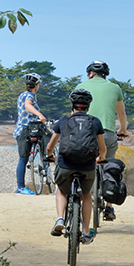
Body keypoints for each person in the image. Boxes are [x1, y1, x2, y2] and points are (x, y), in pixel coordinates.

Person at [46, 89, 106, 243]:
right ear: (88, 106)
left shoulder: (63, 121)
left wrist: (49, 156)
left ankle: (60, 219)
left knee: (61, 190)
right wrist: (101, 158)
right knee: (86, 195)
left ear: (72, 104)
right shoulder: (95, 121)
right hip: (87, 166)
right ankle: (86, 232)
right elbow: (102, 148)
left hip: (66, 164)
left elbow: (50, 146)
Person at [80, 60, 127, 221]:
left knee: (82, 163)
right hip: (108, 133)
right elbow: (121, 114)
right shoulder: (115, 88)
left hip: (84, 133)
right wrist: (123, 130)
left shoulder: (81, 86)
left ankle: (79, 194)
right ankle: (109, 207)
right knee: (110, 166)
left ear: (90, 73)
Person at [13, 73, 47, 195]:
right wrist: (39, 114)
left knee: (23, 158)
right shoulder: (28, 95)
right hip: (26, 130)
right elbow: (28, 105)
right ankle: (21, 187)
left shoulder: (22, 95)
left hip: (24, 130)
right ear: (36, 85)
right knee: (23, 159)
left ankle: (21, 187)